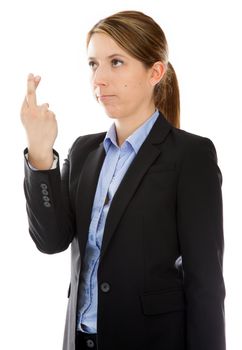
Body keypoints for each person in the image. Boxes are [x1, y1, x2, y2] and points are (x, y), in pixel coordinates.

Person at [21, 10, 226, 350]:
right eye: (93, 64)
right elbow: (51, 241)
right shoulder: (85, 151)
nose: (99, 79)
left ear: (155, 72)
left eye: (116, 62)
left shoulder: (190, 156)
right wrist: (41, 156)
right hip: (81, 340)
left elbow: (205, 283)